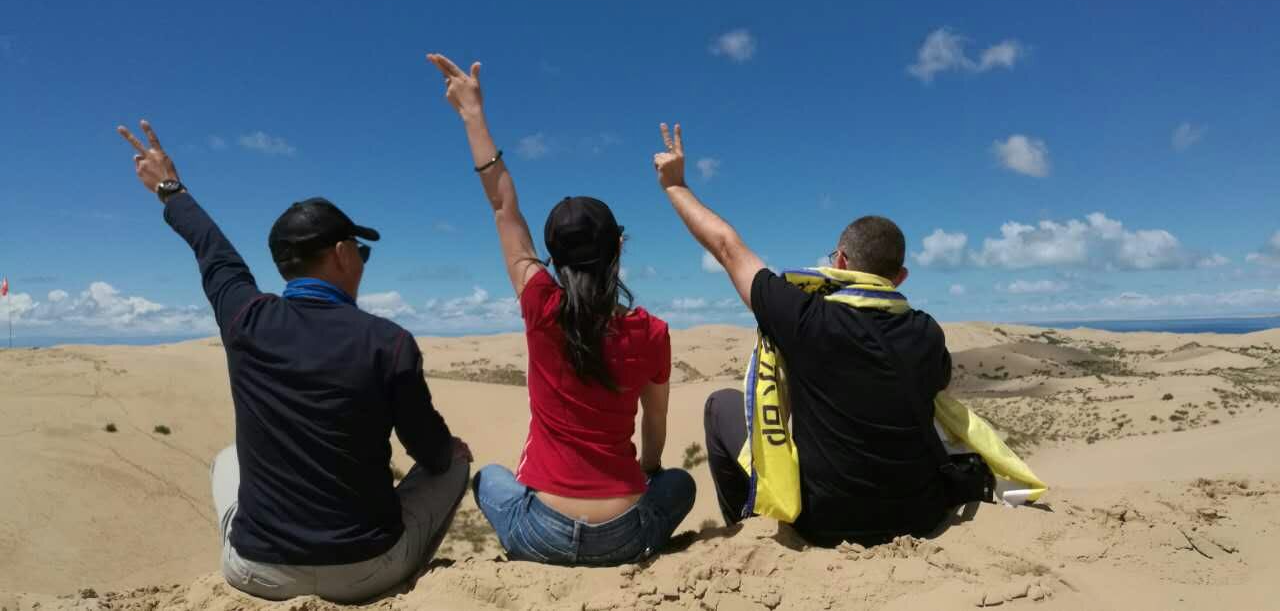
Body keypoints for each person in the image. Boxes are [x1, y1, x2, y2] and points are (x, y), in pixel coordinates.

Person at [115, 121, 472, 602]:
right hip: (366, 570)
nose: (363, 261)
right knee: (453, 461)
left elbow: (213, 251)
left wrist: (169, 188)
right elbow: (429, 453)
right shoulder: (388, 342)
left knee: (227, 459)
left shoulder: (245, 319)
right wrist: (449, 450)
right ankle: (405, 582)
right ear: (343, 254)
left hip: (255, 571)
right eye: (361, 250)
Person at [425, 54, 696, 565]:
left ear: (549, 255)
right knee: (679, 483)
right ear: (619, 246)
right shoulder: (651, 332)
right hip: (626, 534)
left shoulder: (540, 304)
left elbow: (503, 207)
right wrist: (650, 471)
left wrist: (472, 114)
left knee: (488, 479)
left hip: (540, 533)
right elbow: (654, 425)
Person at [650, 123, 953, 547]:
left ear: (841, 261)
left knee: (721, 406)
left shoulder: (807, 318)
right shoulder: (927, 333)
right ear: (899, 277)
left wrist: (675, 185)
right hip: (921, 513)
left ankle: (749, 517)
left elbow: (727, 248)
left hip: (827, 523)